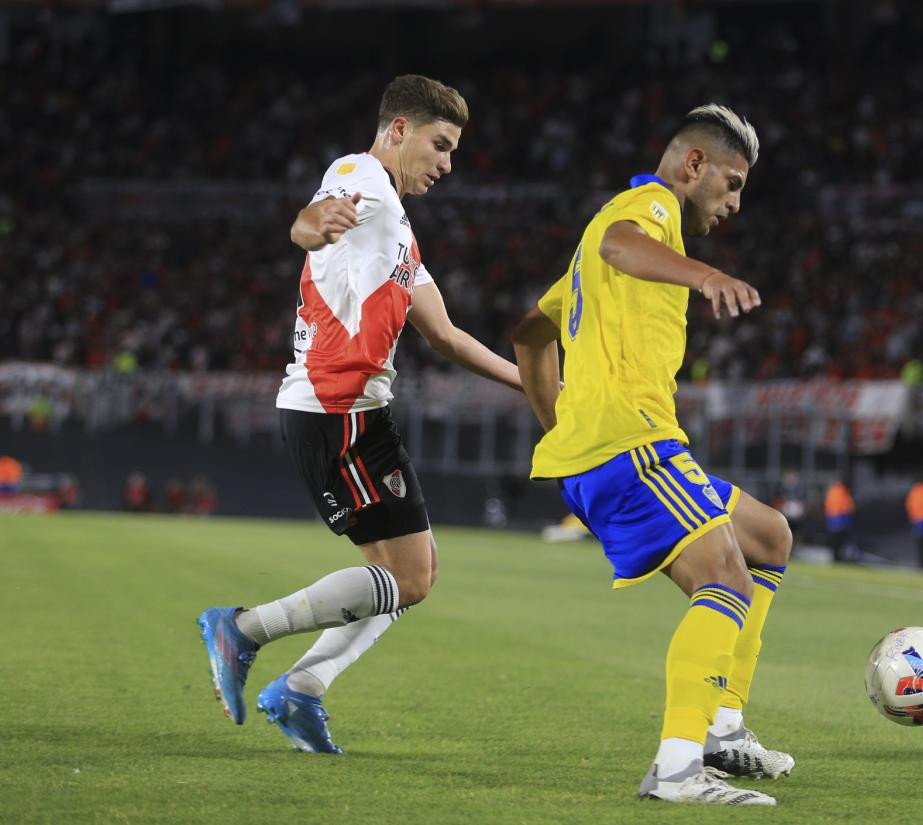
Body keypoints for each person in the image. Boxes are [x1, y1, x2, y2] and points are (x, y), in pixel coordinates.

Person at [197, 75, 522, 754]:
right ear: (398, 129)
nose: (447, 163)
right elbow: (306, 222)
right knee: (408, 576)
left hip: (362, 413)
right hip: (333, 409)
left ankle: (302, 690)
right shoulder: (360, 175)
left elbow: (446, 335)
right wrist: (317, 223)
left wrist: (535, 387)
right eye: (441, 144)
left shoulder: (399, 229)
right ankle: (244, 630)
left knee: (410, 576)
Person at [512, 104, 792, 806]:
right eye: (730, 184)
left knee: (767, 537)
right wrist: (701, 276)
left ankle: (723, 722)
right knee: (726, 579)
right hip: (631, 442)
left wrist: (558, 427)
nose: (733, 204)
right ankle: (676, 767)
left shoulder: (591, 258)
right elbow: (619, 243)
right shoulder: (648, 206)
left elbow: (529, 335)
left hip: (611, 442)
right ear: (693, 164)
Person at [824, 479, 855, 563]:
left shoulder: (833, 491)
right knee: (839, 540)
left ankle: (836, 557)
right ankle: (837, 557)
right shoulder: (842, 492)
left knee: (836, 540)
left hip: (834, 518)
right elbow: (848, 506)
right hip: (839, 519)